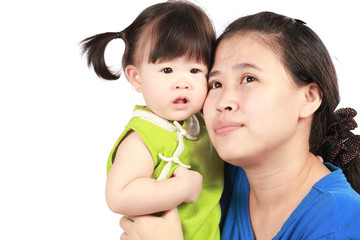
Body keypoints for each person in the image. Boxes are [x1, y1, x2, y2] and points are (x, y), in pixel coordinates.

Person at [119, 11, 360, 240]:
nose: (223, 102)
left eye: (249, 78)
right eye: (215, 84)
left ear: (308, 98)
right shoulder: (215, 179)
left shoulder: (337, 224)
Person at [80, 1, 223, 239]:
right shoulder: (144, 136)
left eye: (195, 70)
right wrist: (181, 188)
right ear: (137, 78)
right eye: (167, 70)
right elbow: (119, 195)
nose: (182, 82)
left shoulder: (202, 123)